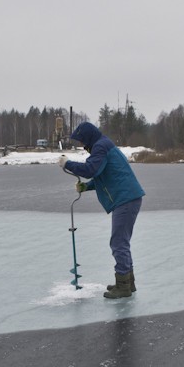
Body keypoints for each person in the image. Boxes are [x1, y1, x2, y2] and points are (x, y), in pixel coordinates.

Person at [58, 122, 145, 299]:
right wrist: (86, 187)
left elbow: (91, 169)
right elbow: (102, 174)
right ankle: (128, 282)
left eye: (81, 141)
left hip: (126, 199)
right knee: (121, 242)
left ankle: (124, 286)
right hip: (128, 197)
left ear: (88, 137)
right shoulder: (103, 144)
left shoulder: (100, 147)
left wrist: (67, 164)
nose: (81, 145)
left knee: (118, 243)